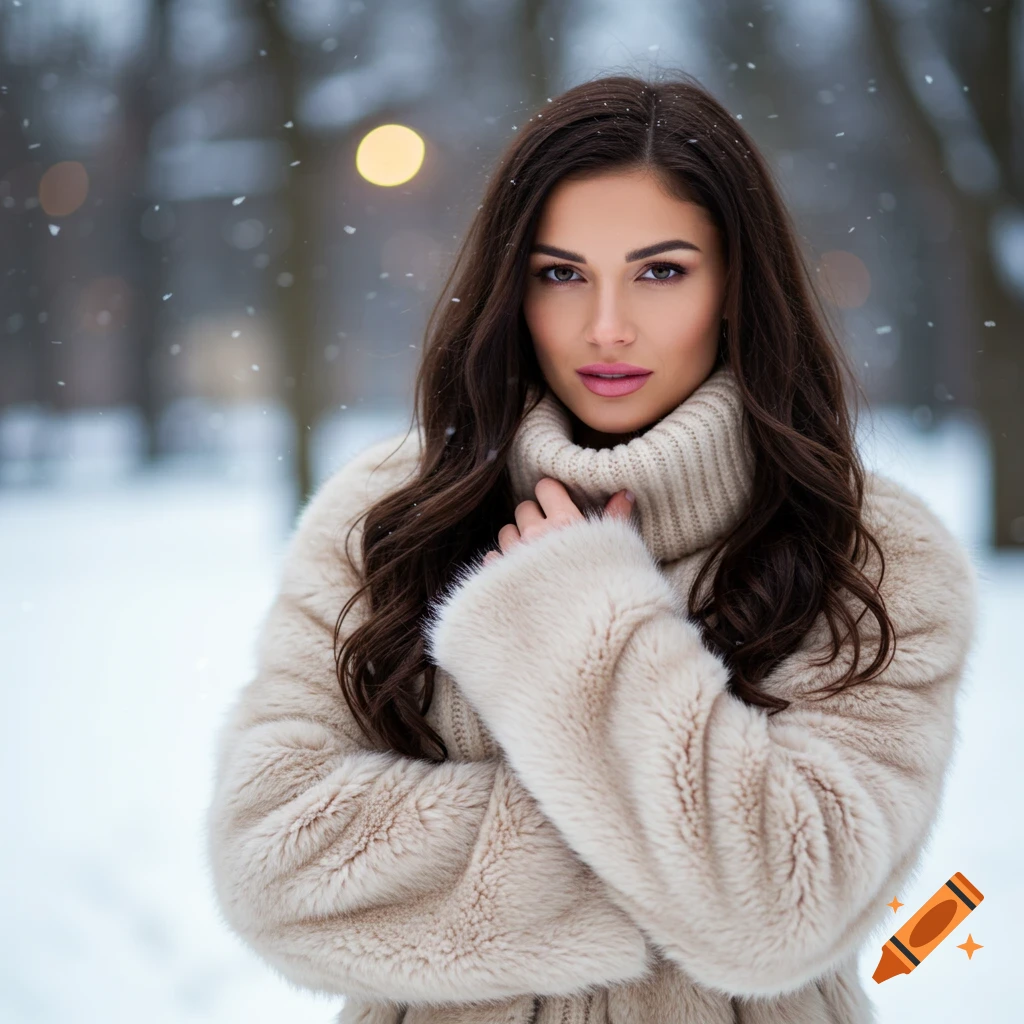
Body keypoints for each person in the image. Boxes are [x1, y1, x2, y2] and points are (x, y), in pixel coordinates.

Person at [206, 72, 978, 1024]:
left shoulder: (872, 552)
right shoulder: (388, 515)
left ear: (735, 283)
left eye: (661, 271)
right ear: (511, 288)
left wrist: (585, 622)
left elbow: (786, 906)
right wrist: (674, 863)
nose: (605, 326)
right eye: (560, 273)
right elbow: (276, 866)